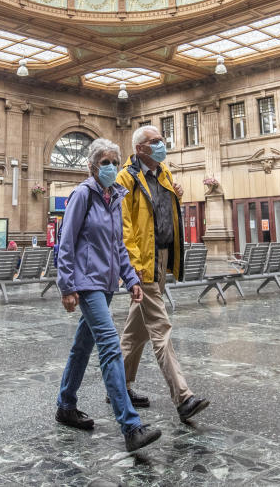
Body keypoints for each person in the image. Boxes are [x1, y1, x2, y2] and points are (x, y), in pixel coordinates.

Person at [55, 137, 161, 454]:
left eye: (115, 161)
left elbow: (118, 246)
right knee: (110, 346)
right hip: (87, 284)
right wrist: (67, 286)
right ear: (91, 165)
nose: (112, 167)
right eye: (105, 162)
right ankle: (130, 426)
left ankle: (65, 405)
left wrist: (131, 279)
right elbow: (66, 243)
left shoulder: (115, 196)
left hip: (106, 284)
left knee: (81, 347)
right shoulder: (82, 195)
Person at [117, 125, 209, 424]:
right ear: (140, 148)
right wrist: (133, 265)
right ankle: (183, 397)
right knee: (159, 325)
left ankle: (119, 386)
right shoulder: (126, 178)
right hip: (143, 261)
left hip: (163, 256)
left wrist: (176, 193)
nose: (161, 145)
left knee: (136, 330)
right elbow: (125, 226)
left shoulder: (165, 174)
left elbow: (163, 213)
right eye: (155, 142)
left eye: (162, 141)